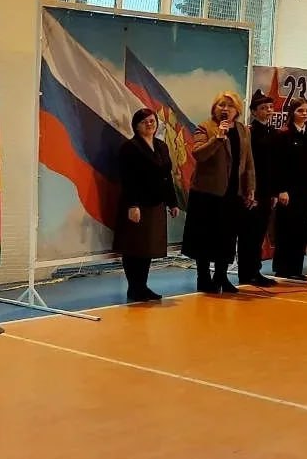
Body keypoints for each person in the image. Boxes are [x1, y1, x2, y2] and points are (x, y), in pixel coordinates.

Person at [181, 91, 254, 294]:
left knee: (227, 237)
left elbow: (248, 162)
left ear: (237, 110)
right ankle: (203, 277)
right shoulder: (205, 127)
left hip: (233, 192)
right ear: (214, 109)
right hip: (207, 193)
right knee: (204, 237)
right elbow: (199, 154)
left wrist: (250, 188)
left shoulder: (243, 130)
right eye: (221, 105)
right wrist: (218, 138)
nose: (225, 109)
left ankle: (221, 276)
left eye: (230, 106)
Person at [114, 108, 180, 302]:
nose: (149, 124)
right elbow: (128, 179)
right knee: (134, 248)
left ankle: (142, 286)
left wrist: (172, 202)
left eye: (152, 121)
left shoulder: (161, 146)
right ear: (136, 126)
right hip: (137, 204)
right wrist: (132, 205)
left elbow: (167, 177)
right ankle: (134, 288)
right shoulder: (130, 147)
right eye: (144, 122)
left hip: (156, 203)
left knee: (148, 248)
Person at [271, 97, 307, 280]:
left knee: (300, 230)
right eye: (300, 111)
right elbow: (278, 166)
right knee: (286, 229)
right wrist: (281, 189)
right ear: (292, 113)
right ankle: (282, 268)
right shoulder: (284, 135)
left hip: (304, 191)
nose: (304, 114)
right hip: (288, 191)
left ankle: (296, 268)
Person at [238, 90, 277, 286]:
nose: (268, 110)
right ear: (254, 111)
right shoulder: (249, 133)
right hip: (253, 189)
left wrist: (274, 191)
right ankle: (246, 272)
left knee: (260, 232)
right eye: (263, 108)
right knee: (249, 233)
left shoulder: (272, 132)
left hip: (267, 190)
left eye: (270, 107)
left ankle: (256, 270)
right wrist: (248, 190)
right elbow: (247, 164)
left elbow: (275, 166)